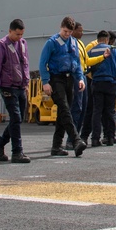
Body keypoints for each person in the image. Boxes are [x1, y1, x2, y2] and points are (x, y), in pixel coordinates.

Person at [39, 16, 87, 157]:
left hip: (69, 79)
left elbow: (77, 62)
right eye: (65, 31)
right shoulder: (52, 43)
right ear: (61, 27)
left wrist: (80, 78)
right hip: (56, 79)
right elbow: (43, 63)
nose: (67, 34)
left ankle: (56, 146)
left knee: (63, 113)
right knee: (65, 109)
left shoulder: (73, 42)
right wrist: (45, 82)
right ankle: (76, 139)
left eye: (69, 32)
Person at [0, 19, 31, 163]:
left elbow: (25, 65)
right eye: (17, 34)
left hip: (20, 87)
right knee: (16, 118)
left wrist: (26, 84)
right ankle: (17, 151)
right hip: (8, 87)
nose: (19, 37)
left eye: (21, 34)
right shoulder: (1, 46)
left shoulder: (23, 44)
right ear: (10, 31)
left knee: (17, 119)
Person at [73, 22, 108, 146]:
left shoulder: (82, 44)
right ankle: (74, 139)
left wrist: (102, 57)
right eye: (80, 31)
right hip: (80, 79)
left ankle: (78, 137)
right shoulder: (73, 44)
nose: (82, 33)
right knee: (79, 109)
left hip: (83, 77)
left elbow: (87, 61)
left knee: (83, 109)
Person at [88, 30, 116, 147]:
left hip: (97, 83)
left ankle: (95, 139)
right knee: (110, 111)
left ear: (97, 40)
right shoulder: (113, 50)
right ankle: (110, 137)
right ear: (107, 39)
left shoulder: (91, 51)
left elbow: (87, 68)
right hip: (110, 83)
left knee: (97, 111)